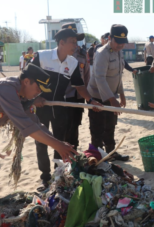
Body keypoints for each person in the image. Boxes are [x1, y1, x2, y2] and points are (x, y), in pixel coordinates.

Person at [0, 63, 78, 211]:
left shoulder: (20, 96)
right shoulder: (6, 89)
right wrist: (58, 146)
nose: (38, 94)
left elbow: (36, 124)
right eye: (38, 89)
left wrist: (59, 143)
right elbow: (28, 128)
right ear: (26, 81)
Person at [32, 23, 102, 190]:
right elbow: (27, 79)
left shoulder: (72, 62)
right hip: (41, 107)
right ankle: (45, 177)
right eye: (72, 41)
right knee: (41, 143)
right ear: (61, 42)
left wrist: (90, 101)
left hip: (59, 108)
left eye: (76, 42)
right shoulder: (42, 56)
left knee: (60, 142)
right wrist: (35, 97)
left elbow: (79, 86)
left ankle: (58, 174)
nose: (75, 45)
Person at [87, 24, 129, 161]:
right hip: (97, 96)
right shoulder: (101, 53)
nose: (120, 45)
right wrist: (112, 99)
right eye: (118, 42)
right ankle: (97, 156)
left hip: (112, 95)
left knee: (111, 126)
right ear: (110, 38)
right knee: (97, 128)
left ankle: (111, 153)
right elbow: (100, 78)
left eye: (123, 42)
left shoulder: (119, 52)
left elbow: (118, 75)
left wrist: (121, 94)